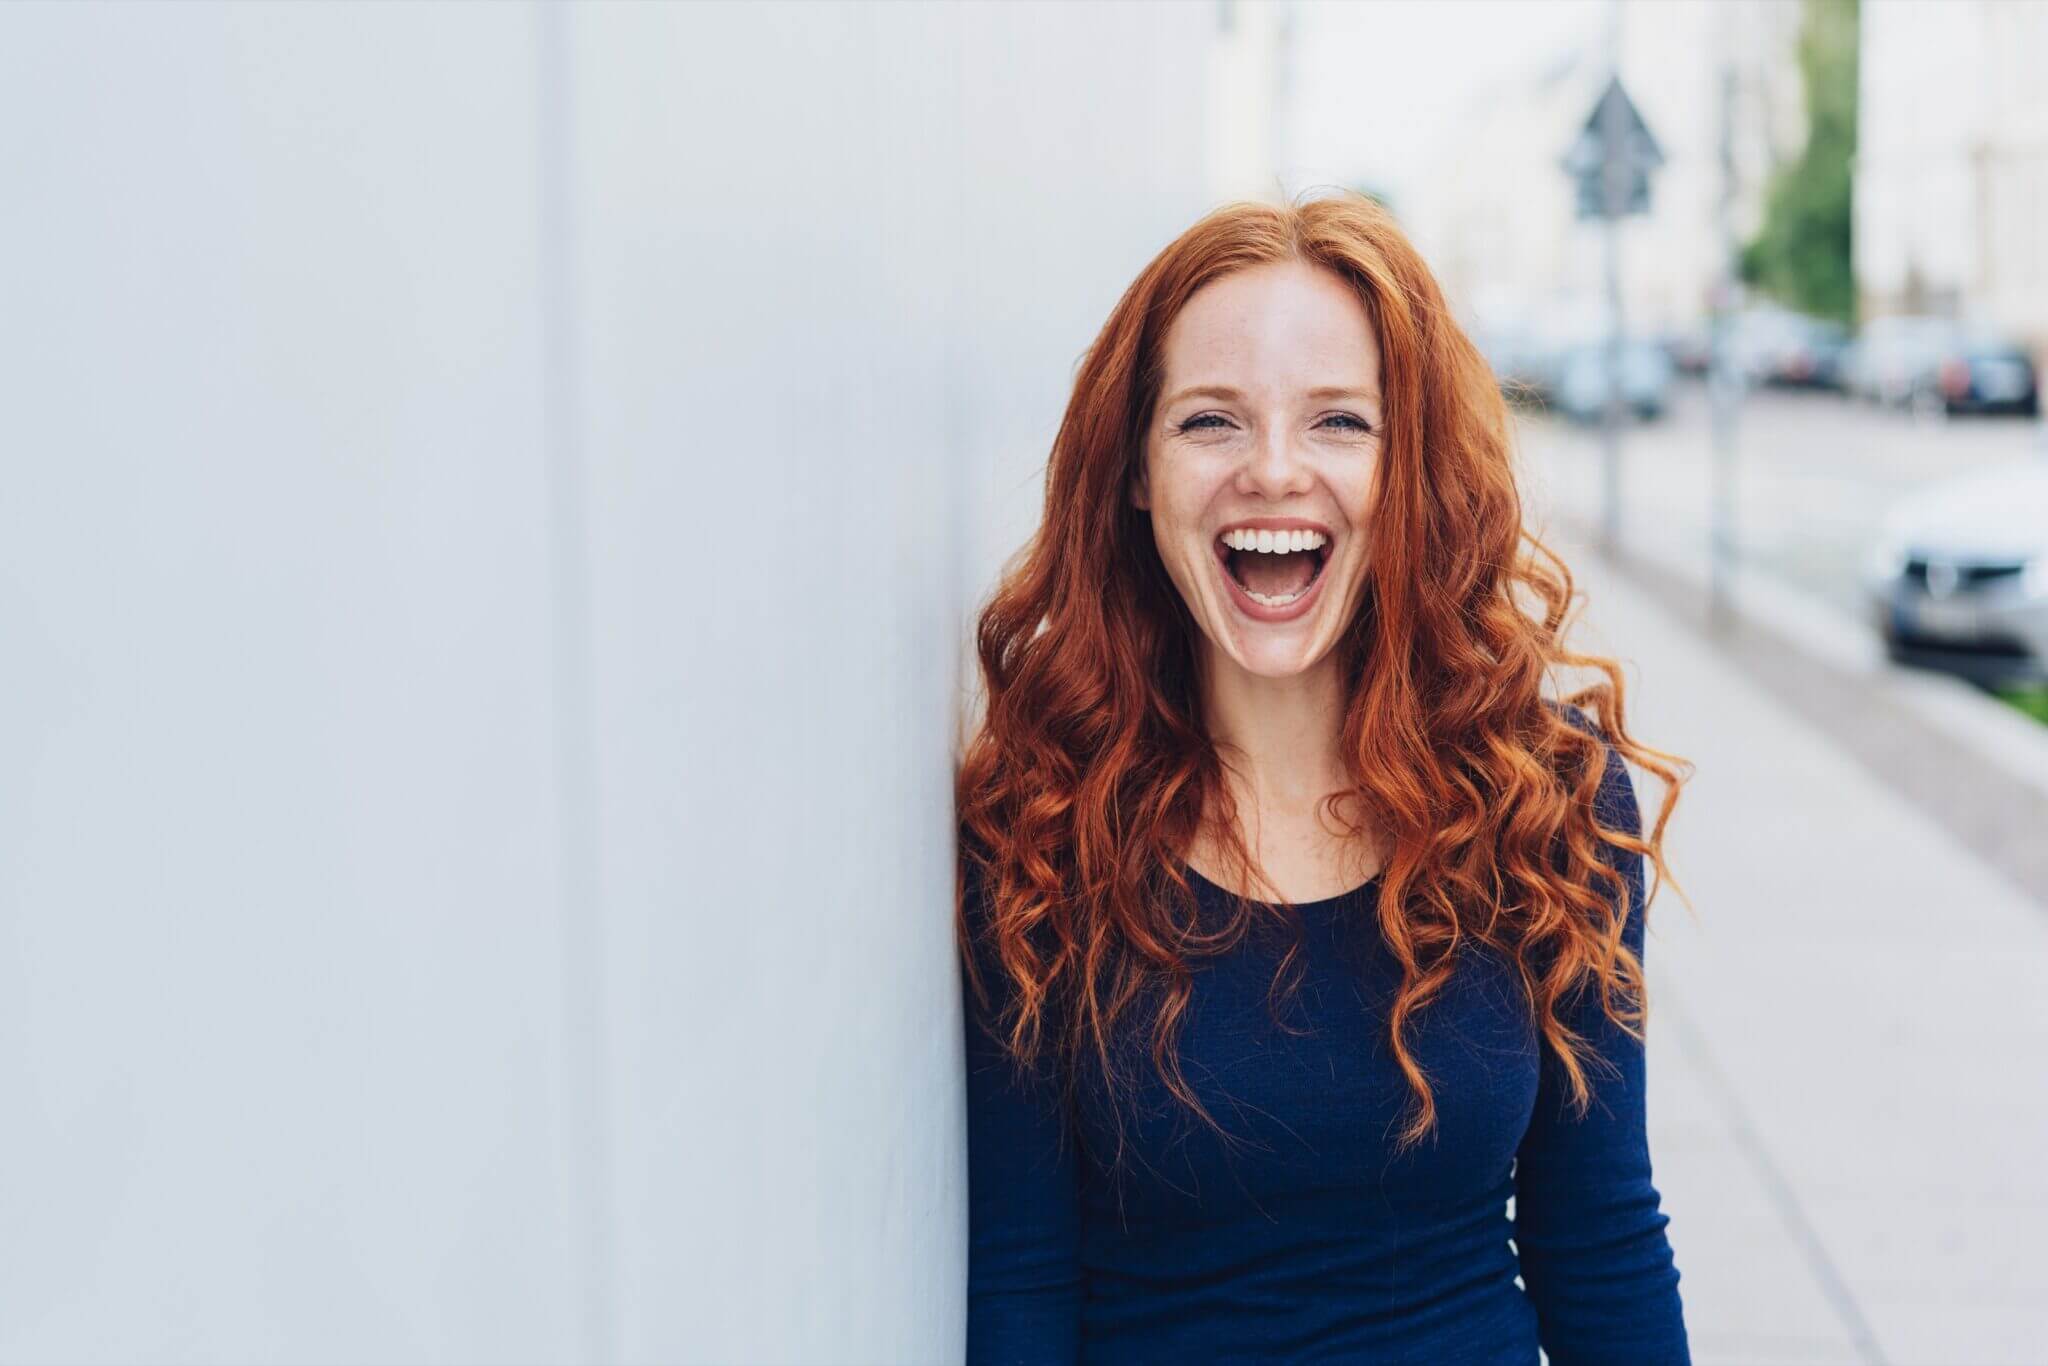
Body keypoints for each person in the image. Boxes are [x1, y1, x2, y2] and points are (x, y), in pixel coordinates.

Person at [953, 191, 1696, 1363]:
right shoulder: (1041, 824)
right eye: (1210, 422)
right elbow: (1018, 1278)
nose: (1272, 471)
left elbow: (1597, 1238)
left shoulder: (1545, 801)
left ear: (1408, 472)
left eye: (1338, 423)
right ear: (1135, 471)